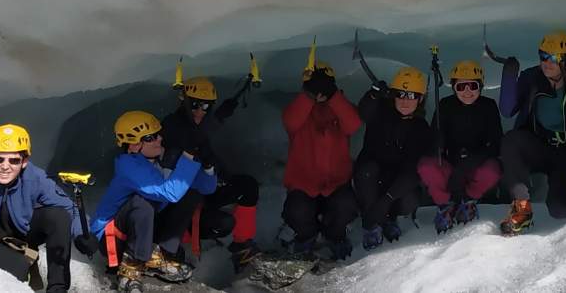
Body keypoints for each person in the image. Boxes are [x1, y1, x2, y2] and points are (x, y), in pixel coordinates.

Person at [0, 124, 87, 293]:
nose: (5, 166)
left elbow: (70, 208)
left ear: (24, 161)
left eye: (14, 160)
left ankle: (58, 289)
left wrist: (81, 234)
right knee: (16, 268)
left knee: (58, 217)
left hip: (14, 237)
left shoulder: (33, 177)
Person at [90, 111, 217, 292]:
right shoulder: (128, 165)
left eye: (158, 135)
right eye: (150, 138)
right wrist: (187, 157)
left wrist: (208, 166)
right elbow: (169, 193)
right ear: (133, 146)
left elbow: (205, 188)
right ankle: (132, 265)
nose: (158, 140)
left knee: (189, 193)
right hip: (114, 238)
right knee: (142, 203)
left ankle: (161, 254)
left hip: (143, 231)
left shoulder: (162, 157)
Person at [160, 76, 261, 273]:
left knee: (247, 186)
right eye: (195, 105)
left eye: (206, 107)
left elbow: (204, 145)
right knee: (216, 219)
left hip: (204, 189)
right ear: (184, 102)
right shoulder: (171, 125)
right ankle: (173, 246)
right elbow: (191, 138)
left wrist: (221, 175)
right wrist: (217, 118)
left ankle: (242, 247)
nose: (200, 111)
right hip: (179, 202)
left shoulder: (201, 126)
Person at [497, 30, 566, 236]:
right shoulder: (532, 77)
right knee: (511, 141)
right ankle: (522, 207)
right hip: (537, 144)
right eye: (543, 55)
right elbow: (507, 110)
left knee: (560, 211)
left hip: (565, 154)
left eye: (554, 58)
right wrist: (509, 77)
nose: (547, 62)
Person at [280, 62, 362, 260]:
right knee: (297, 211)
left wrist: (334, 96)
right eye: (314, 86)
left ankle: (335, 236)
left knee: (346, 206)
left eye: (325, 85)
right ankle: (306, 236)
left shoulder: (341, 108)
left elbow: (353, 124)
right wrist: (308, 95)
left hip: (336, 184)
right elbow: (291, 120)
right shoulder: (299, 109)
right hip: (304, 184)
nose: (320, 91)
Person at [416, 60, 503, 234]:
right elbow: (434, 141)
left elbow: (496, 143)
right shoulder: (445, 105)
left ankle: (469, 200)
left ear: (481, 86)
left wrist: (470, 163)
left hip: (476, 165)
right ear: (454, 87)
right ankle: (446, 203)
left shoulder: (488, 106)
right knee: (426, 166)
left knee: (493, 170)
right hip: (450, 166)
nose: (467, 91)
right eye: (461, 86)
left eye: (473, 85)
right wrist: (438, 144)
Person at [355, 67, 433, 249]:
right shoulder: (381, 111)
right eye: (401, 94)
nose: (405, 101)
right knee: (367, 172)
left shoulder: (420, 128)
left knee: (410, 199)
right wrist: (373, 94)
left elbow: (413, 171)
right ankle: (372, 223)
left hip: (396, 184)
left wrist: (385, 202)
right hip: (371, 178)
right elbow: (364, 112)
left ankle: (388, 218)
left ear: (420, 99)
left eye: (412, 96)